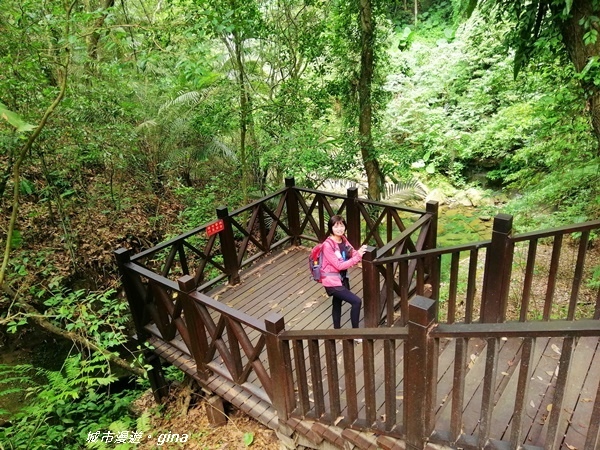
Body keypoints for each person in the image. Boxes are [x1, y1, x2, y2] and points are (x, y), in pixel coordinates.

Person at [320, 215, 368, 329]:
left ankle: (337, 330)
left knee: (337, 302)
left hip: (342, 279)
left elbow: (353, 253)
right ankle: (355, 333)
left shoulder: (343, 240)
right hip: (331, 281)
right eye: (336, 226)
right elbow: (339, 265)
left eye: (341, 225)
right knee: (356, 302)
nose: (339, 229)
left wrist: (360, 252)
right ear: (331, 228)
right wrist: (358, 257)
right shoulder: (327, 245)